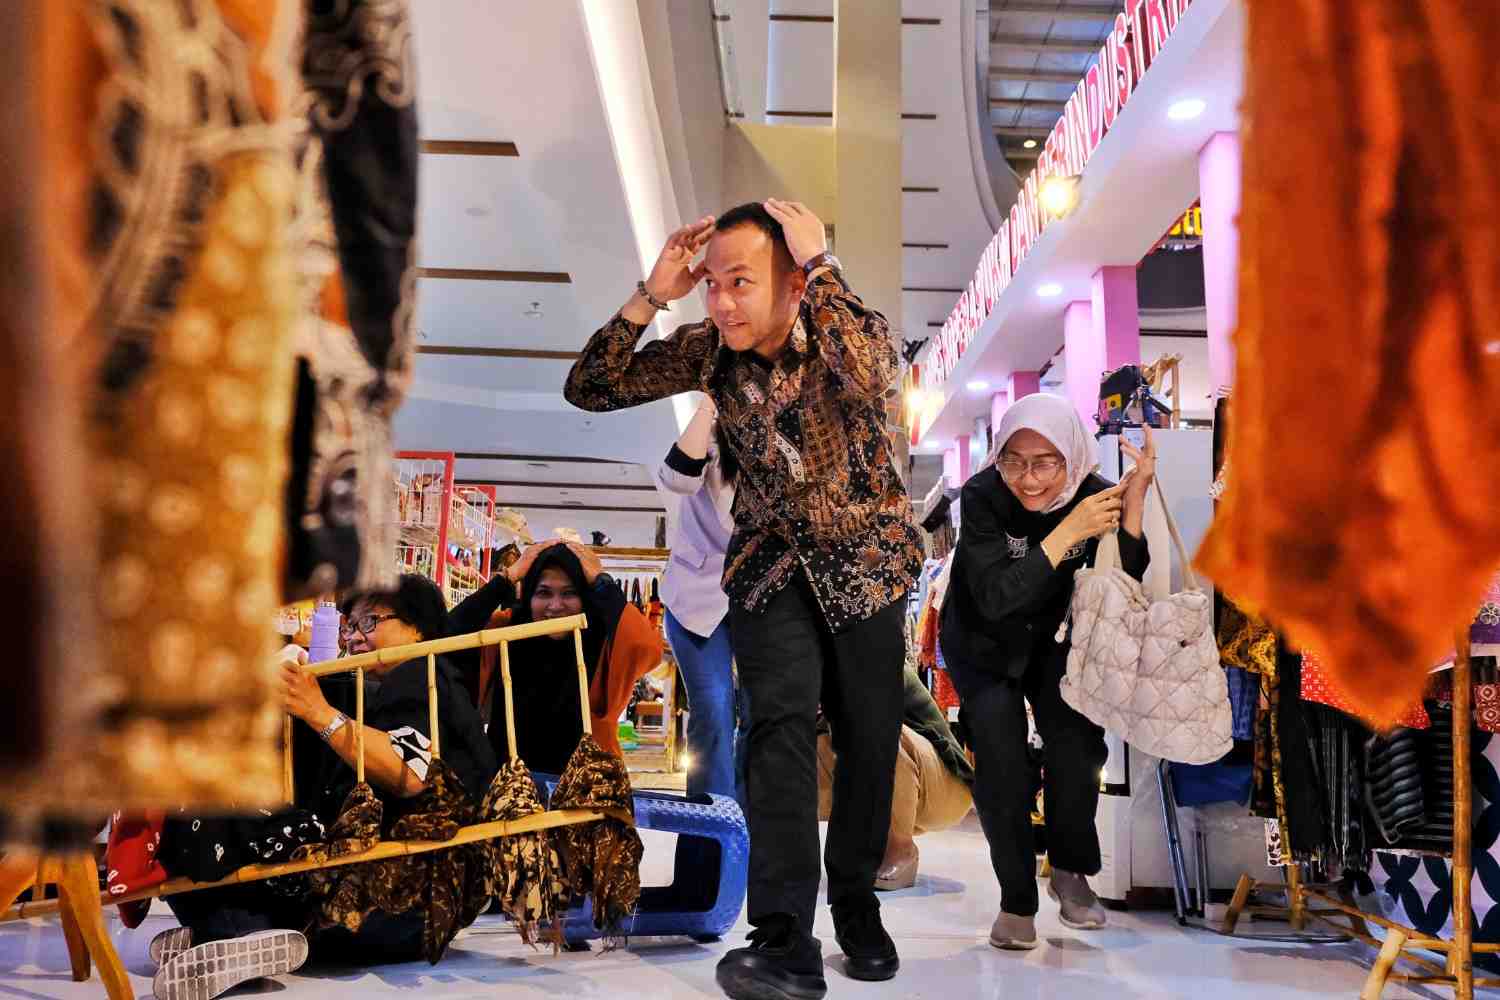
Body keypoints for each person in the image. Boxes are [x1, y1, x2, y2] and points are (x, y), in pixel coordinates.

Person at [565, 199, 923, 999]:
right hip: (768, 572)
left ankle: (856, 907)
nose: (722, 302)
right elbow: (590, 387)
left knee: (868, 743)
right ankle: (785, 939)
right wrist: (652, 295)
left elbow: (876, 374)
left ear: (793, 283)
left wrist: (822, 265)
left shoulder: (838, 327)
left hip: (867, 566)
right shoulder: (710, 353)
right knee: (776, 736)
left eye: (741, 282)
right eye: (713, 284)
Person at [152, 575, 499, 1000]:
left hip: (398, 902)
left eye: (370, 622)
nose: (354, 638)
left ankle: (238, 930)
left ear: (419, 630)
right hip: (403, 902)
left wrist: (317, 711)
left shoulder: (421, 676)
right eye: (350, 626)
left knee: (209, 806)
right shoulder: (400, 683)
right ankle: (236, 932)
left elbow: (411, 773)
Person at [939, 394, 1155, 951]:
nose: (1029, 479)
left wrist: (1133, 507)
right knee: (1002, 765)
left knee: (1077, 747)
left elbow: (1123, 577)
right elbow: (994, 597)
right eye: (1014, 461)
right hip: (984, 641)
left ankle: (1069, 868)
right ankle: (1016, 901)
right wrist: (1066, 532)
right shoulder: (984, 496)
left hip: (1058, 639)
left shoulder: (1092, 491)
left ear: (1071, 457)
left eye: (1045, 462)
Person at [483, 539, 661, 775]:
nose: (555, 606)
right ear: (528, 595)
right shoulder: (504, 630)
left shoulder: (603, 639)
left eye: (569, 593)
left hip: (590, 785)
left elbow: (646, 648)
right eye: (544, 593)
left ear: (585, 597)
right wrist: (506, 579)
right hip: (506, 786)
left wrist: (603, 583)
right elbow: (449, 636)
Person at [656, 394, 745, 804]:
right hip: (697, 597)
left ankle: (749, 829)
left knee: (764, 716)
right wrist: (709, 405)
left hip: (763, 598)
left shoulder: (787, 439)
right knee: (713, 707)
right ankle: (711, 829)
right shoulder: (711, 434)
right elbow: (677, 477)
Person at [816, 667, 973, 891]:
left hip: (947, 785)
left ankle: (900, 851)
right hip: (889, 777)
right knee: (792, 752)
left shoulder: (865, 654)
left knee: (873, 729)